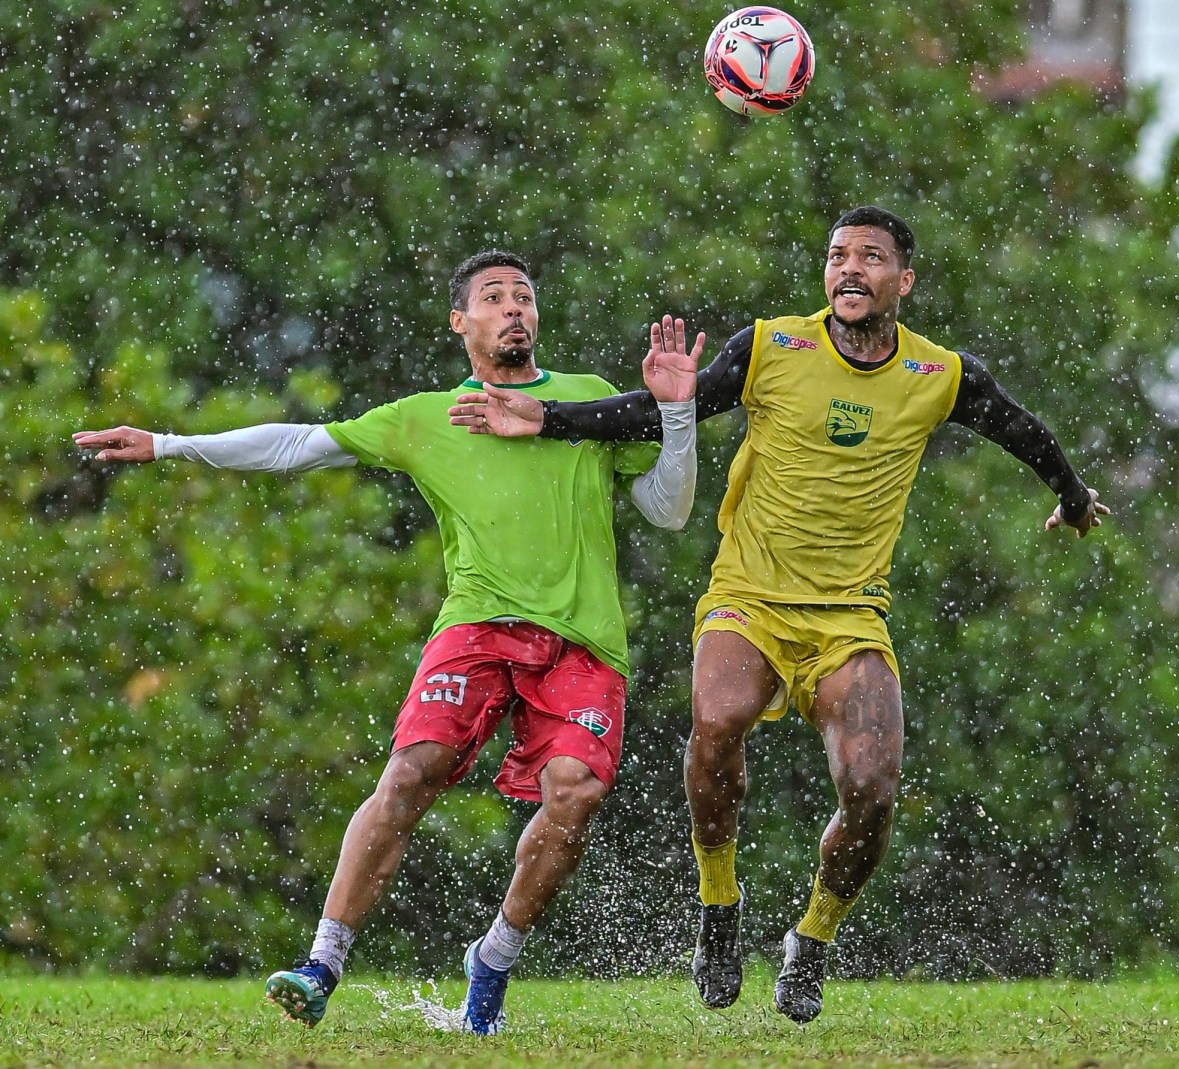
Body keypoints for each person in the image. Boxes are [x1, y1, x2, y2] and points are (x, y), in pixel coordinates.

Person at [447, 208, 1110, 1025]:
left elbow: (1025, 431)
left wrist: (1073, 498)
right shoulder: (770, 346)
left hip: (850, 620)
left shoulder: (939, 375)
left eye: (871, 257)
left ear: (905, 281)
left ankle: (812, 939)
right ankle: (718, 905)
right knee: (717, 717)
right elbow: (651, 412)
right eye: (838, 256)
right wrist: (545, 419)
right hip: (749, 599)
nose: (850, 269)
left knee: (872, 787)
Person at [74, 250, 704, 1035]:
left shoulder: (585, 401)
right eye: (495, 298)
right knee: (411, 772)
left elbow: (669, 509)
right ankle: (322, 961)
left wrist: (675, 414)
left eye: (525, 297)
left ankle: (495, 955)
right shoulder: (423, 417)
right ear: (460, 322)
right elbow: (299, 445)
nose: (515, 309)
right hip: (476, 628)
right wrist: (171, 443)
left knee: (574, 790)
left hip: (581, 643)